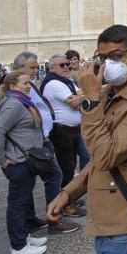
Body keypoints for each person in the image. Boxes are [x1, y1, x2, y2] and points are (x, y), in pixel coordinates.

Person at [47, 25, 127, 254]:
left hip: (126, 221)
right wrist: (68, 193)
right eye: (103, 57)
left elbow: (107, 155)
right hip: (107, 220)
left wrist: (90, 101)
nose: (109, 64)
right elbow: (100, 164)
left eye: (117, 56)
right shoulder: (111, 94)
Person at [12, 52, 81, 234]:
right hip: (35, 143)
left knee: (35, 181)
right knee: (54, 176)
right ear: (20, 68)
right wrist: (2, 158)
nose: (36, 71)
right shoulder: (15, 93)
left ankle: (31, 218)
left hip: (42, 139)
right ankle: (54, 219)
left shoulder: (28, 86)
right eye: (33, 67)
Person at [0, 71, 48, 254]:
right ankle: (18, 247)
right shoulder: (14, 104)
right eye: (25, 83)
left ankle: (23, 238)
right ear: (13, 86)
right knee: (18, 203)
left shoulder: (18, 101)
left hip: (24, 160)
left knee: (22, 201)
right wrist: (2, 159)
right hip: (18, 162)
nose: (28, 86)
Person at [41, 55, 86, 218]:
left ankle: (69, 197)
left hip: (72, 129)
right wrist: (81, 95)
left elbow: (79, 94)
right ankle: (65, 204)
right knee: (66, 166)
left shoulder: (66, 81)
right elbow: (75, 102)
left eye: (67, 64)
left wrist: (80, 95)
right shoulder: (53, 83)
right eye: (62, 65)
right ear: (52, 68)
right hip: (62, 131)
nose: (66, 67)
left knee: (71, 163)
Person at [65, 49, 91, 173]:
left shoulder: (82, 70)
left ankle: (85, 172)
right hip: (77, 108)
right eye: (70, 60)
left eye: (75, 59)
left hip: (85, 106)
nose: (73, 61)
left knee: (84, 148)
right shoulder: (68, 75)